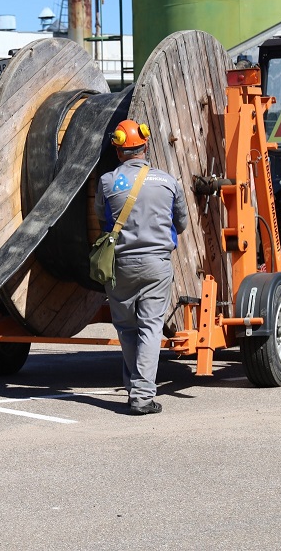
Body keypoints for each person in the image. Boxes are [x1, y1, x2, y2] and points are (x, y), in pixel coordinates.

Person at [93, 119, 188, 415]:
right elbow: (181, 223)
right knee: (150, 327)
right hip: (156, 266)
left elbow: (101, 220)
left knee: (127, 328)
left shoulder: (108, 182)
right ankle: (142, 396)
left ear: (119, 151)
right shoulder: (168, 181)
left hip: (119, 266)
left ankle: (136, 388)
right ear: (145, 147)